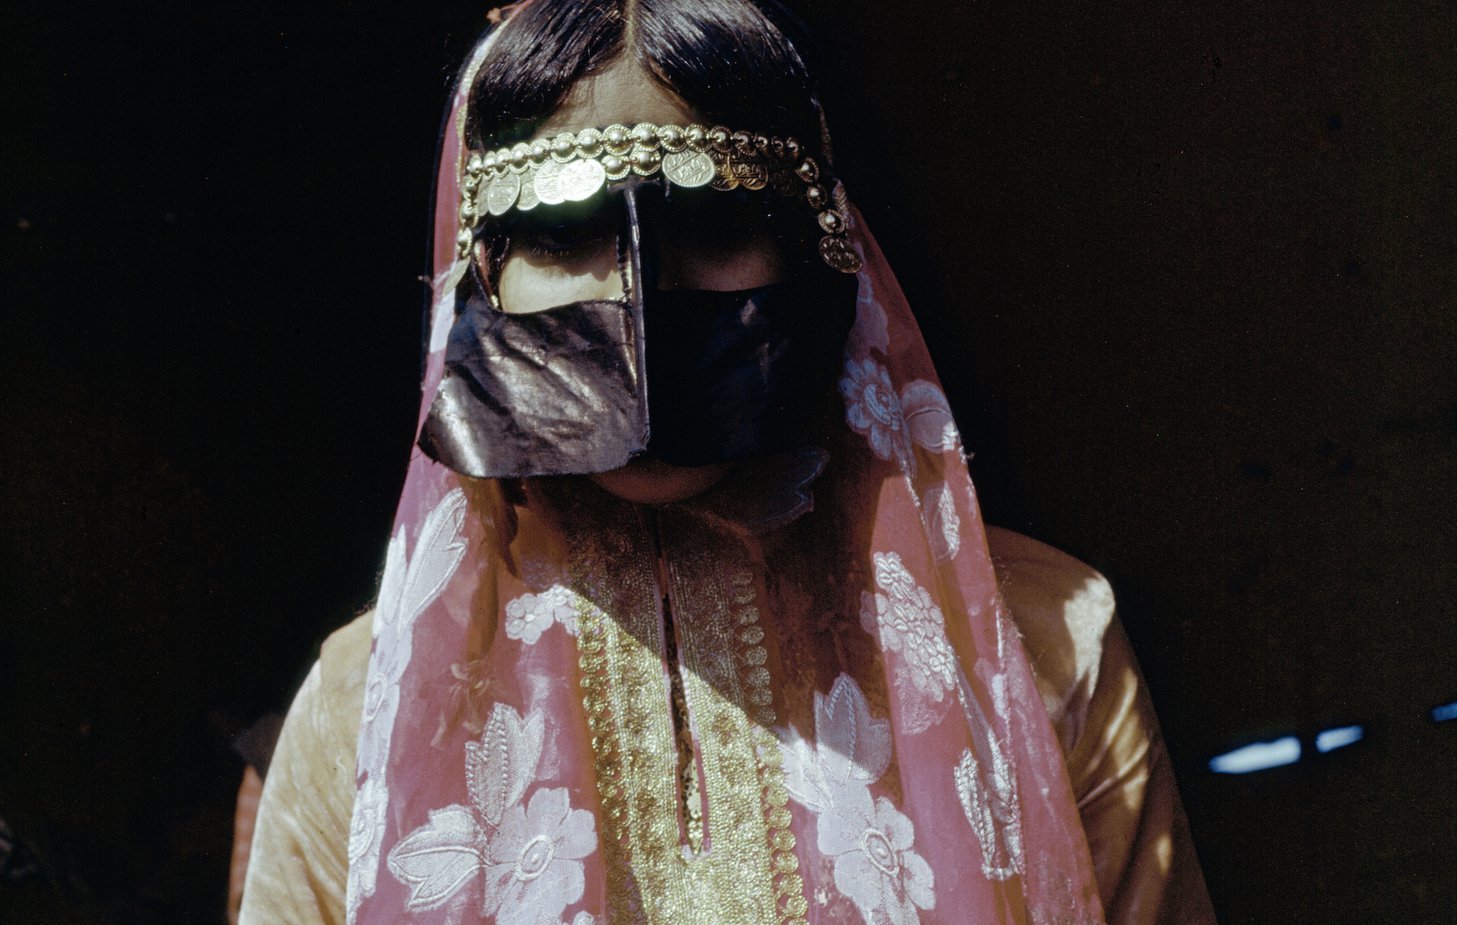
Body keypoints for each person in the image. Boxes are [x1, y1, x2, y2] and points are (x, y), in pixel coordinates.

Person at [239, 1, 1216, 923]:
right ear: (483, 274)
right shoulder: (361, 712)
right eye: (560, 232)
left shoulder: (1045, 643)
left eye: (714, 222)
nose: (640, 303)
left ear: (818, 245)